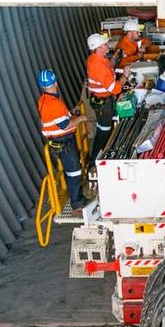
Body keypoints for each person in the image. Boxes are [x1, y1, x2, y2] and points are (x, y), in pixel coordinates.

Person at [37, 69, 87, 216]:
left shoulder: (43, 100)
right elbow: (65, 125)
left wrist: (71, 113)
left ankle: (76, 196)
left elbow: (56, 118)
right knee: (74, 172)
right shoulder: (54, 103)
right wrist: (81, 118)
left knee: (71, 170)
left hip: (56, 141)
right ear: (56, 83)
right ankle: (76, 204)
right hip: (64, 141)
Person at [86, 33, 131, 161]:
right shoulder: (98, 65)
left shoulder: (95, 59)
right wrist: (125, 76)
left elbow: (107, 70)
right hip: (104, 105)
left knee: (104, 128)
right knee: (104, 131)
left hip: (100, 100)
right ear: (98, 48)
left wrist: (114, 62)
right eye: (105, 44)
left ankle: (99, 155)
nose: (107, 46)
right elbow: (115, 89)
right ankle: (95, 160)